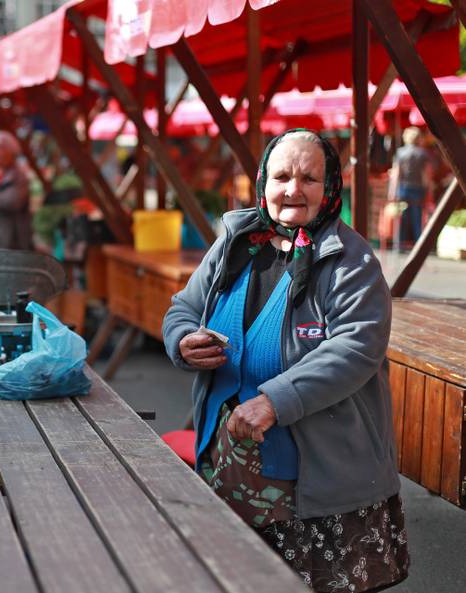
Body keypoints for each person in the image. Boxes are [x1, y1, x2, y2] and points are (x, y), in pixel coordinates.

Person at [163, 129, 408, 593]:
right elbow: (184, 307)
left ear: (329, 187)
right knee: (232, 577)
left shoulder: (351, 260)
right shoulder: (237, 242)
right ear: (263, 182)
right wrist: (182, 339)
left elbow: (355, 348)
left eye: (309, 178)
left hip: (316, 471)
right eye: (281, 177)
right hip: (226, 458)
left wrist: (276, 400)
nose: (293, 189)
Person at [388, 126, 434, 248]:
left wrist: (392, 192)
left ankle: (399, 244)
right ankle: (420, 245)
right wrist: (429, 191)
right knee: (417, 218)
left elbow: (396, 175)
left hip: (404, 188)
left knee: (401, 217)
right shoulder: (423, 154)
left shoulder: (400, 153)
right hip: (418, 189)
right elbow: (427, 175)